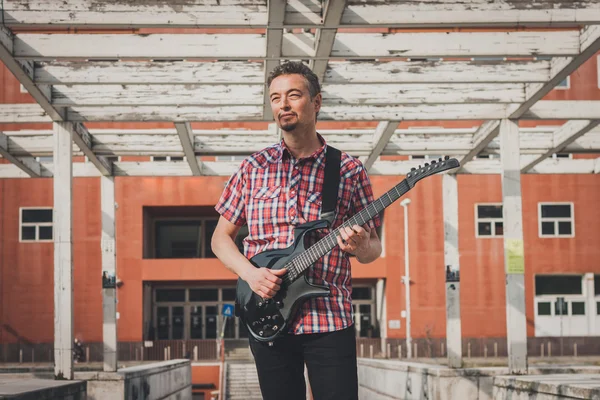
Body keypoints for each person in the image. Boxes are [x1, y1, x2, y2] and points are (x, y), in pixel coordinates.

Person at [211, 61, 382, 400]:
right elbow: (220, 238)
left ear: (316, 102)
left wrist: (360, 246)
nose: (283, 105)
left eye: (293, 95)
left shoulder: (348, 170)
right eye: (275, 98)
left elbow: (373, 249)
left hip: (330, 319)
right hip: (267, 315)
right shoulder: (253, 167)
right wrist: (251, 274)